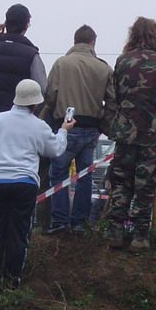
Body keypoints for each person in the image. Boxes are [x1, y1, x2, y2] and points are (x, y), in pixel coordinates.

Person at [0, 79, 73, 298]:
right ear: (36, 104)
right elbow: (55, 149)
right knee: (18, 235)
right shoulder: (38, 125)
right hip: (24, 184)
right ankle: (12, 285)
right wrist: (64, 131)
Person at [104, 17, 156, 251]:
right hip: (152, 134)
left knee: (121, 181)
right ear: (155, 36)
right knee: (145, 185)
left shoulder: (122, 62)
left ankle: (115, 232)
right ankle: (140, 236)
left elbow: (115, 96)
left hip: (125, 132)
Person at [44, 24, 115, 234]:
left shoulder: (61, 64)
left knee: (58, 174)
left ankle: (59, 222)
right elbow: (112, 101)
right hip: (92, 129)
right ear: (93, 42)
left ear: (74, 41)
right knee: (85, 176)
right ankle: (79, 224)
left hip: (66, 126)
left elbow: (50, 95)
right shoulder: (104, 68)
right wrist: (104, 121)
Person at [0, 4, 47, 117]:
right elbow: (42, 88)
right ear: (25, 26)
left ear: (6, 23)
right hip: (23, 113)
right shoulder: (31, 54)